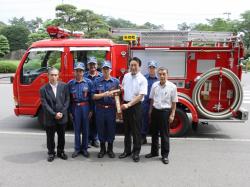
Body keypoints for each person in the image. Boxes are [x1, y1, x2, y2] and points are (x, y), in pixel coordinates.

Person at [145, 67, 178, 164]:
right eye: (160, 74)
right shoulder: (155, 85)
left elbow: (174, 102)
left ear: (167, 75)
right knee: (154, 133)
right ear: (158, 75)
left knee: (164, 135)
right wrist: (150, 111)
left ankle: (165, 155)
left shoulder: (172, 87)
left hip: (165, 112)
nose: (162, 76)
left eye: (164, 74)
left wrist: (172, 114)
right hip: (155, 111)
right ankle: (154, 152)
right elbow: (152, 99)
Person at [119, 57, 148, 162]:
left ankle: (136, 152)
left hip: (136, 106)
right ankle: (127, 151)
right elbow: (123, 88)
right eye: (131, 65)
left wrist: (129, 105)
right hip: (126, 105)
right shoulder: (126, 76)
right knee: (126, 130)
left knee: (136, 131)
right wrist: (121, 89)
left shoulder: (143, 79)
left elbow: (140, 96)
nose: (133, 67)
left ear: (139, 66)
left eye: (135, 65)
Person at [40, 67, 70, 162]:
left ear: (58, 76)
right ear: (48, 76)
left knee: (62, 136)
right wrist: (54, 114)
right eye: (52, 75)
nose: (54, 77)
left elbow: (67, 100)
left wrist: (61, 112)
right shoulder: (43, 89)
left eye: (55, 75)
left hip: (62, 116)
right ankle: (51, 153)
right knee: (50, 137)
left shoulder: (64, 86)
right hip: (50, 118)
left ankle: (60, 152)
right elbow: (45, 104)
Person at [92, 60, 120, 158]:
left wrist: (118, 110)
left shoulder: (116, 81)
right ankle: (102, 149)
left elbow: (118, 97)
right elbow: (93, 96)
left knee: (111, 129)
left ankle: (110, 149)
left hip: (111, 109)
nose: (105, 71)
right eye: (104, 69)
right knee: (101, 128)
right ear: (102, 70)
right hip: (100, 109)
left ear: (110, 70)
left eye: (107, 69)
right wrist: (104, 94)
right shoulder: (97, 81)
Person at [68, 62, 94, 158]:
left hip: (85, 107)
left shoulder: (89, 83)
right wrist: (69, 111)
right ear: (74, 72)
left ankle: (85, 149)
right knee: (77, 129)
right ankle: (77, 148)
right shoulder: (70, 84)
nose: (78, 73)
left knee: (86, 129)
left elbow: (91, 97)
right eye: (77, 71)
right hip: (75, 108)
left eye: (80, 71)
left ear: (83, 72)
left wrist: (91, 110)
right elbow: (69, 99)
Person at [84, 56, 102, 148]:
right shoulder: (84, 76)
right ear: (88, 66)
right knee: (87, 121)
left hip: (98, 103)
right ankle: (87, 139)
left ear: (97, 65)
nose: (92, 66)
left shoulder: (101, 76)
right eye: (90, 64)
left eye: (94, 64)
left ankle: (95, 139)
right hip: (87, 103)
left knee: (96, 122)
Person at [141, 60, 158, 144]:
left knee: (155, 121)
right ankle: (143, 138)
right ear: (148, 68)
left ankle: (155, 140)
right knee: (144, 120)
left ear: (156, 69)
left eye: (153, 67)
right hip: (145, 103)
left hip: (155, 104)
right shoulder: (144, 78)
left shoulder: (159, 79)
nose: (152, 69)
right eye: (150, 67)